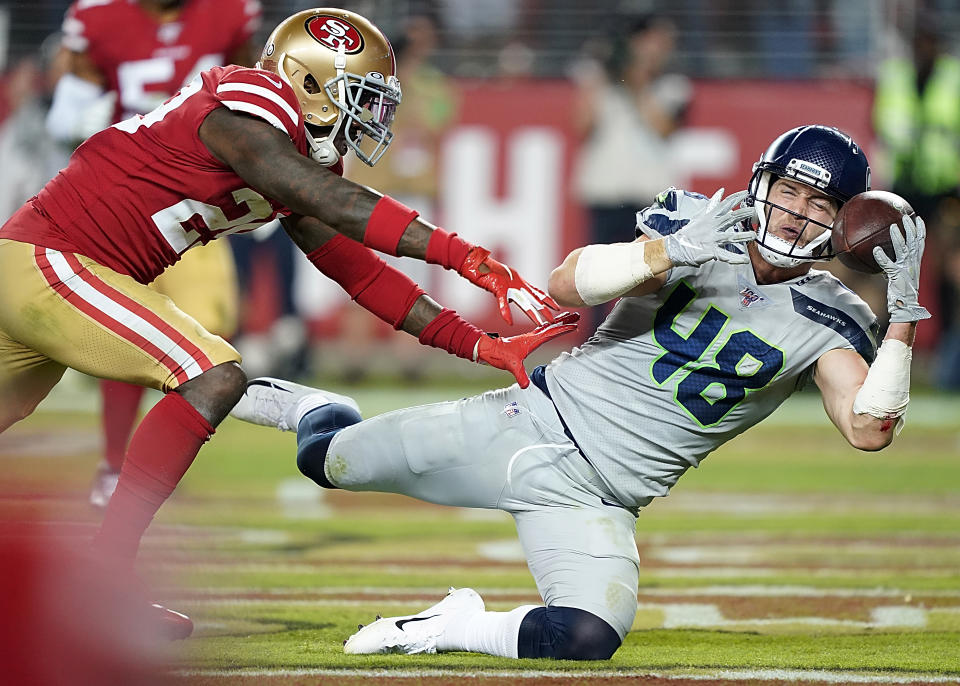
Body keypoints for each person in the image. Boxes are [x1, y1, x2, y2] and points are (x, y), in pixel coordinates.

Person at [231, 125, 929, 660]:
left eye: (820, 204)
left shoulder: (835, 314)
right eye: (788, 191)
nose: (795, 215)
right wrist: (672, 252)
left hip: (602, 499)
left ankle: (457, 624)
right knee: (324, 460)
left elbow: (867, 428)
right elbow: (565, 284)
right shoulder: (696, 222)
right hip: (528, 425)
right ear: (760, 183)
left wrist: (901, 312)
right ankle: (315, 409)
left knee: (588, 635)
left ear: (842, 222)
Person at [0, 7, 569, 640]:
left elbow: (361, 273)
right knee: (213, 375)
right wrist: (465, 256)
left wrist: (480, 345)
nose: (370, 117)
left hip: (46, 267)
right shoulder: (252, 100)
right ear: (308, 81)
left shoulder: (294, 158)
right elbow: (334, 203)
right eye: (362, 96)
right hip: (54, 259)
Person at [45, 0, 263, 509]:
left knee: (207, 343)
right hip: (119, 199)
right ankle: (116, 466)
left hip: (195, 207)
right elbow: (64, 115)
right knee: (122, 335)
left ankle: (149, 468)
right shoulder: (97, 16)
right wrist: (81, 119)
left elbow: (252, 91)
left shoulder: (229, 12)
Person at [572, 14, 692, 332]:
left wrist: (637, 84)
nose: (660, 50)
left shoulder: (673, 85)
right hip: (605, 189)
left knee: (648, 275)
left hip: (651, 195)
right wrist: (602, 77)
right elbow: (582, 126)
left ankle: (640, 341)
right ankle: (592, 343)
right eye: (654, 41)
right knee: (596, 275)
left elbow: (664, 128)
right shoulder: (602, 79)